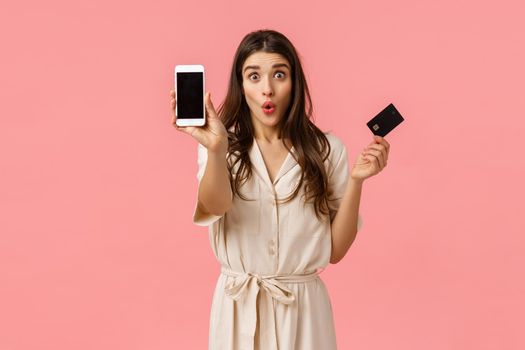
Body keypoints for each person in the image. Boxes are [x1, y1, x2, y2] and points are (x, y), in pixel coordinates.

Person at [170, 29, 390, 350]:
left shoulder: (326, 150)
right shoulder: (221, 146)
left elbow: (335, 251)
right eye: (254, 76)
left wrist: (357, 180)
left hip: (304, 312)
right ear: (240, 84)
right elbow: (215, 206)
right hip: (238, 309)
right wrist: (217, 149)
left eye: (279, 75)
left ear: (294, 82)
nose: (267, 90)